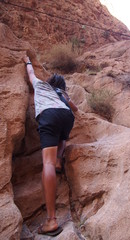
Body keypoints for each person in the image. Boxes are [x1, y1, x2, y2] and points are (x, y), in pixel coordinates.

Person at [23, 55, 78, 236]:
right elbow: (74, 108)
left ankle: (51, 220)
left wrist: (27, 61)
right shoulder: (62, 94)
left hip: (49, 115)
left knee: (46, 163)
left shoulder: (40, 85)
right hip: (67, 116)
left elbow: (30, 73)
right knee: (63, 134)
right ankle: (59, 158)